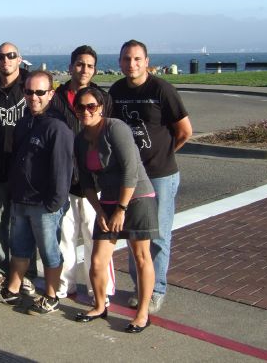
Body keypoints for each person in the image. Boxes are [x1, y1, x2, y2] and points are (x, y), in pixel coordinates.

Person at [109, 39, 192, 313]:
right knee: (136, 234)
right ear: (120, 62)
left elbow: (184, 131)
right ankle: (140, 286)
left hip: (160, 175)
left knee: (158, 236)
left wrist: (163, 154)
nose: (131, 64)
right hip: (131, 176)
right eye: (125, 59)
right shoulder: (117, 91)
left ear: (147, 61)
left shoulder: (162, 89)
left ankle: (156, 289)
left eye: (136, 59)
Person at [73, 88, 158, 333]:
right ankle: (100, 305)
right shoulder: (80, 139)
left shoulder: (115, 128)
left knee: (141, 256)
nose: (86, 111)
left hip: (137, 196)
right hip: (108, 200)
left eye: (91, 106)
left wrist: (121, 208)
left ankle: (142, 313)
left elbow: (131, 168)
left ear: (101, 107)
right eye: (81, 107)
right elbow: (87, 182)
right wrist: (99, 210)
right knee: (98, 260)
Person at [0, 71, 74, 315]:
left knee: (49, 251)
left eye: (40, 92)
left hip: (44, 204)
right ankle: (13, 289)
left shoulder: (57, 127)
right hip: (21, 199)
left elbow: (62, 169)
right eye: (28, 92)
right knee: (19, 248)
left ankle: (50, 294)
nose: (34, 97)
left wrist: (54, 204)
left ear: (50, 93)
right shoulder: (23, 122)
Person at [50, 45, 116, 303]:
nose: (84, 69)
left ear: (95, 69)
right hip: (65, 180)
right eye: (79, 64)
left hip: (95, 182)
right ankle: (65, 285)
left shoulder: (103, 98)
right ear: (70, 67)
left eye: (89, 65)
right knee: (65, 238)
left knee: (95, 237)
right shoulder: (56, 97)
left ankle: (99, 288)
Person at [0, 42, 32, 294]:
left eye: (11, 55)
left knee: (24, 224)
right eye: (1, 56)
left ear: (19, 59)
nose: (6, 60)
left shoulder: (31, 89)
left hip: (26, 170)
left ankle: (26, 274)